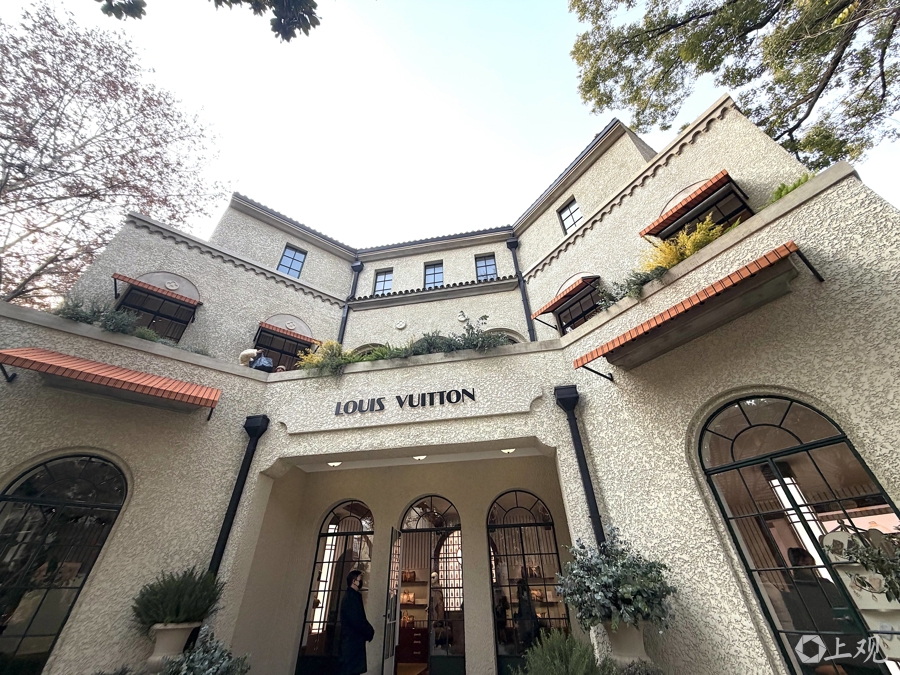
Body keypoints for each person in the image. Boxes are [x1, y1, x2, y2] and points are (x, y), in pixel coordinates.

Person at [339, 570, 374, 675]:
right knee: (352, 670)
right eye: (360, 579)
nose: (361, 581)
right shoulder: (351, 598)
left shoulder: (351, 596)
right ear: (354, 581)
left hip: (352, 640)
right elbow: (357, 619)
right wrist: (368, 631)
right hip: (353, 641)